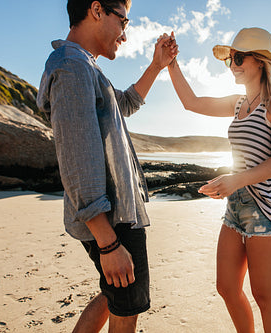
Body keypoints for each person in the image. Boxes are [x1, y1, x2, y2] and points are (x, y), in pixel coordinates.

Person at [37, 1, 177, 332]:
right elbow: (77, 160)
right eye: (124, 22)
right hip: (112, 221)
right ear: (97, 10)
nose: (125, 36)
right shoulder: (72, 67)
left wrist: (157, 66)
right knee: (125, 310)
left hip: (116, 216)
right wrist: (109, 243)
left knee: (113, 295)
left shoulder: (84, 66)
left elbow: (123, 103)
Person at [164, 27, 271, 332]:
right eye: (230, 59)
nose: (233, 65)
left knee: (265, 297)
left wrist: (235, 180)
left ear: (260, 61)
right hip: (235, 210)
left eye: (238, 58)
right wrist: (171, 63)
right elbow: (192, 102)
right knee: (226, 287)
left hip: (267, 212)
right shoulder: (238, 103)